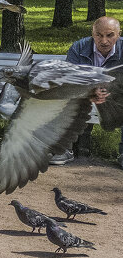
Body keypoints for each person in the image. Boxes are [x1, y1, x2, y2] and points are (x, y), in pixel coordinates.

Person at [50, 14, 123, 167]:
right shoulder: (79, 47)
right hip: (84, 93)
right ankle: (63, 149)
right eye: (99, 35)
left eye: (110, 35)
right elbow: (70, 79)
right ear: (92, 34)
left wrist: (110, 91)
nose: (104, 41)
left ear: (118, 34)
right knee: (63, 99)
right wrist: (90, 92)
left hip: (117, 95)